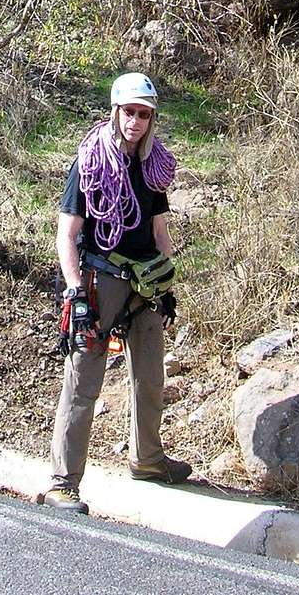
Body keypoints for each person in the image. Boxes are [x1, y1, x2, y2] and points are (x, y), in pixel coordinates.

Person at [43, 71, 192, 514]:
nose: (136, 121)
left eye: (144, 114)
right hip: (100, 278)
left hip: (143, 281)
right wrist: (76, 293)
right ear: (116, 112)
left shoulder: (152, 167)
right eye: (129, 112)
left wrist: (166, 282)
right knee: (84, 378)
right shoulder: (89, 164)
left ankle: (147, 460)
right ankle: (62, 482)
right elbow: (66, 234)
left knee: (150, 375)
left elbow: (158, 228)